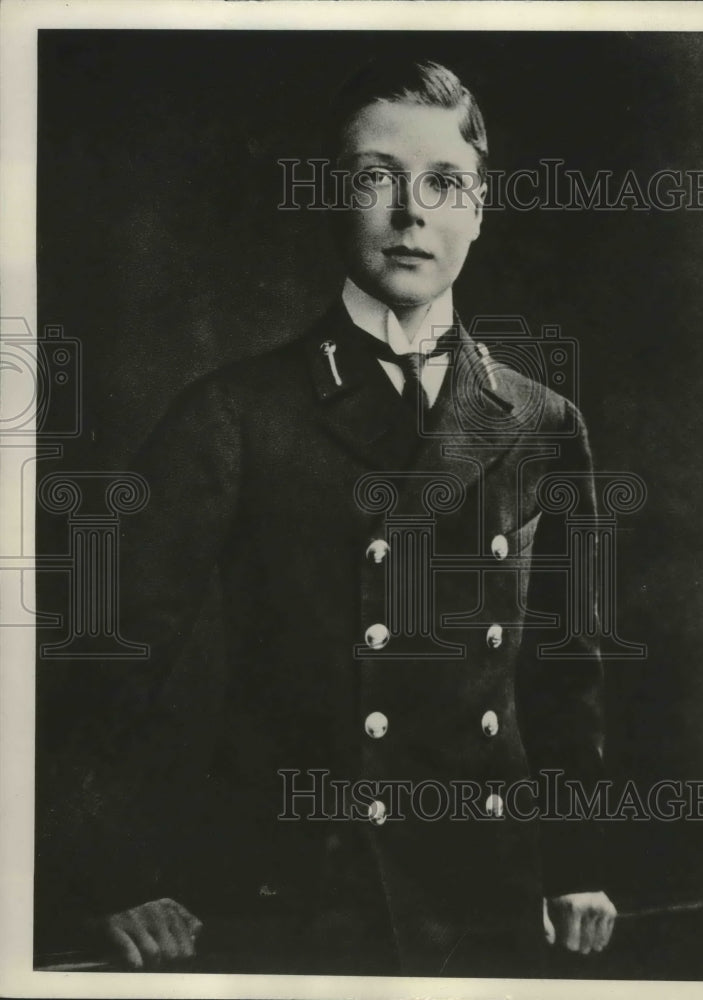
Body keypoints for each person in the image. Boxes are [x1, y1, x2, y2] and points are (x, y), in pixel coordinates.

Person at [45, 58, 616, 976]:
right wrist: (111, 876)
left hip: (491, 894)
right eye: (375, 178)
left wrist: (577, 863)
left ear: (478, 207)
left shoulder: (542, 421)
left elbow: (563, 671)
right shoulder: (236, 413)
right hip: (300, 895)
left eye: (444, 182)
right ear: (329, 197)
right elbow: (110, 652)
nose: (411, 212)